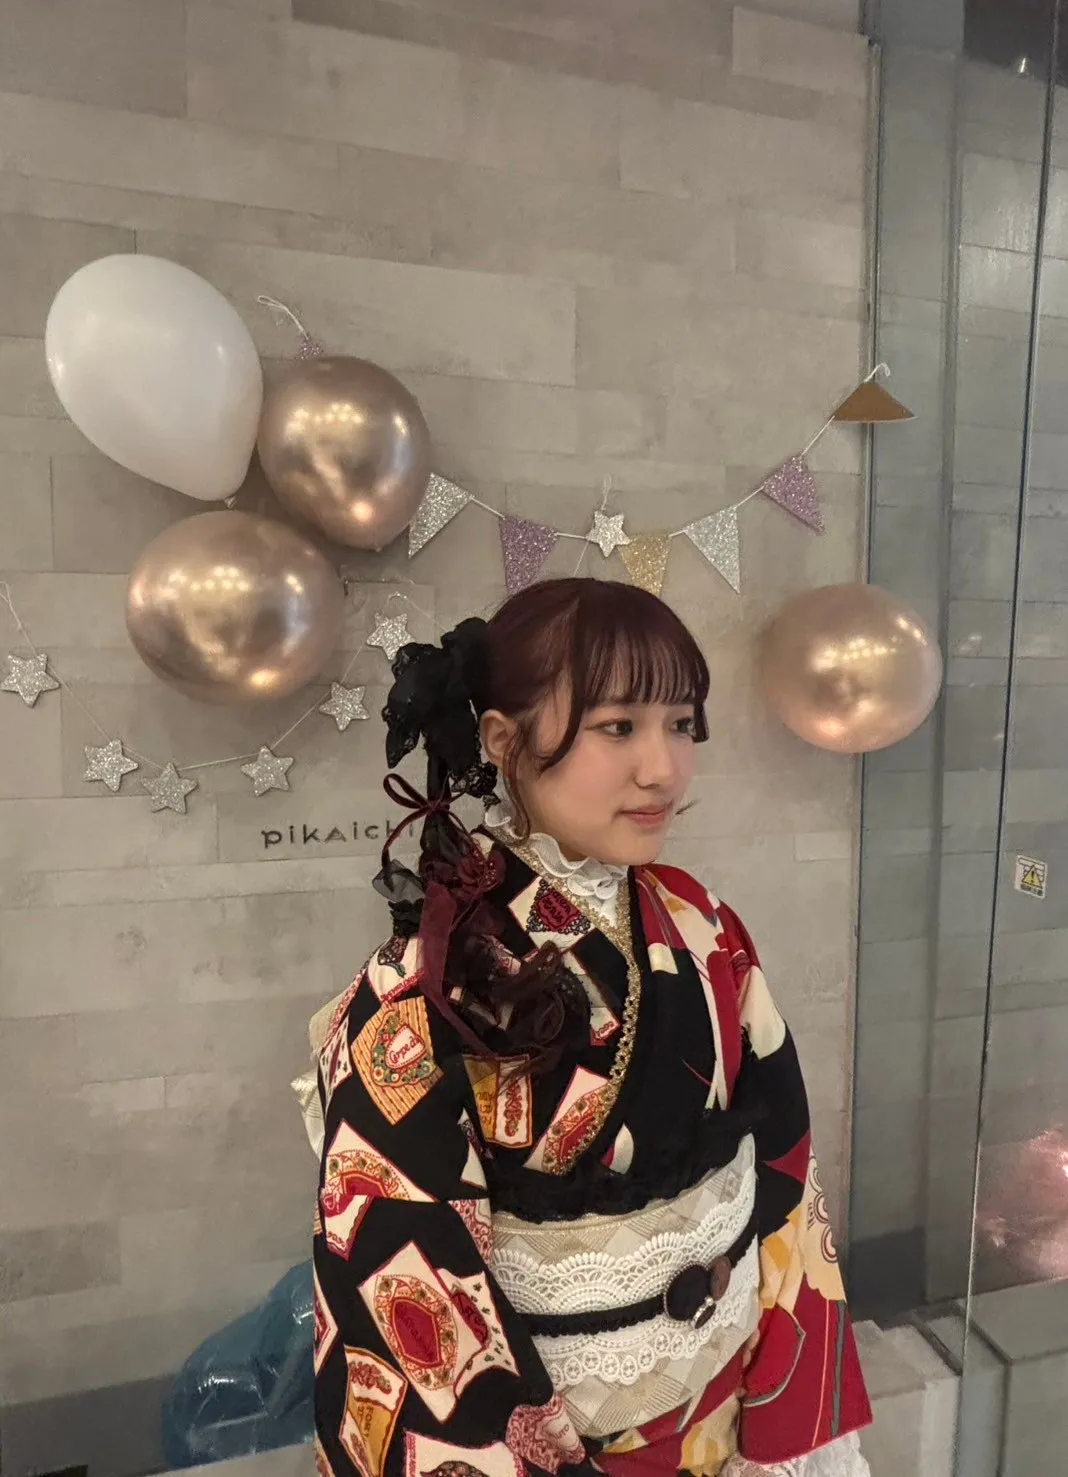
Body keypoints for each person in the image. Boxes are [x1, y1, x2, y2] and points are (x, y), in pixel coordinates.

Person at [302, 578, 871, 1477]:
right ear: (503, 739)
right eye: (619, 726)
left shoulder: (704, 928)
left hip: (722, 1415)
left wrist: (782, 1416)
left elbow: (784, 1165)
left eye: (680, 724)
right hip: (565, 1446)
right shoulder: (427, 987)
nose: (663, 768)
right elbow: (403, 1272)